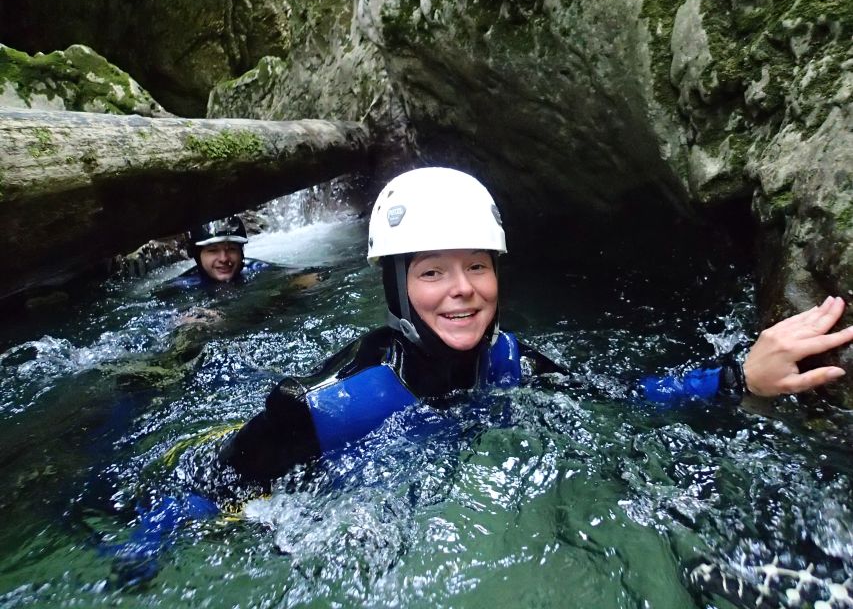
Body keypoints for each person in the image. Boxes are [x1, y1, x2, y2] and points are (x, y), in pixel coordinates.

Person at [219, 167, 853, 483]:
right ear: (396, 288)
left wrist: (737, 373)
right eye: (432, 273)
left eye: (476, 266)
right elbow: (212, 487)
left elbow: (615, 398)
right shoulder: (332, 404)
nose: (462, 288)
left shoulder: (510, 359)